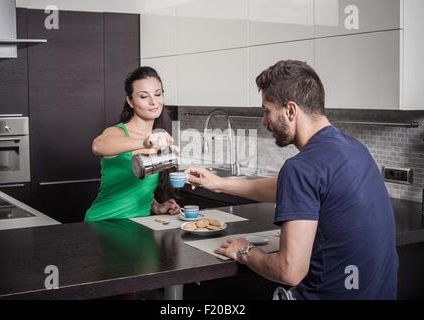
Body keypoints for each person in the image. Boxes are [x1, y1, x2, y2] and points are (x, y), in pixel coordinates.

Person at [185, 60, 398, 299]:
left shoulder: (301, 167)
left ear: (290, 110)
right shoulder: (355, 149)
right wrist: (219, 183)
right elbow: (294, 188)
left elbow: (289, 271)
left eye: (267, 111)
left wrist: (244, 250)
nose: (264, 121)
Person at [85, 66, 180, 222]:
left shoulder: (159, 137)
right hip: (103, 223)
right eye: (143, 96)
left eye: (158, 94)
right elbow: (98, 145)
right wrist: (144, 142)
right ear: (130, 101)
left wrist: (157, 207)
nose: (153, 102)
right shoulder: (119, 132)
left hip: (139, 225)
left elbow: (139, 188)